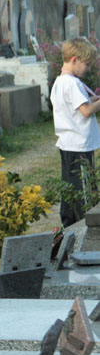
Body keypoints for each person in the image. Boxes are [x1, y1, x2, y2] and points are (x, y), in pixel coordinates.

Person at [51, 37, 100, 227]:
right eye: (86, 64)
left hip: (69, 144)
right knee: (84, 192)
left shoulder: (61, 82)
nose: (88, 68)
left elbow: (86, 103)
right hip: (79, 145)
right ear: (74, 60)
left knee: (70, 187)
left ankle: (69, 225)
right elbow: (86, 111)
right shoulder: (72, 84)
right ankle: (84, 227)